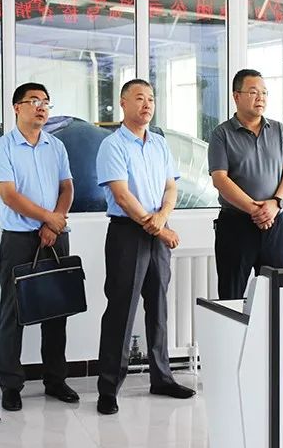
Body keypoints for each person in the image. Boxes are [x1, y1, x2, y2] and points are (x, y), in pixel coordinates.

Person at [95, 78, 195, 415]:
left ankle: (162, 378)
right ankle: (109, 388)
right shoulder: (112, 145)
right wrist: (157, 227)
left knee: (159, 307)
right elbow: (122, 195)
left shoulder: (159, 144)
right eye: (139, 98)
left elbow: (171, 188)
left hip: (157, 229)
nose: (147, 104)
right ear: (123, 103)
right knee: (121, 310)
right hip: (127, 233)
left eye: (151, 98)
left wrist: (162, 219)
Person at [0, 82, 78, 412]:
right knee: (14, 313)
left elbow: (67, 187)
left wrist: (55, 222)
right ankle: (10, 385)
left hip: (56, 234)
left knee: (57, 309)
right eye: (34, 101)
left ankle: (55, 379)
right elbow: (8, 195)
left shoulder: (56, 146)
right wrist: (47, 219)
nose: (41, 107)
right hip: (19, 239)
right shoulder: (3, 148)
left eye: (46, 102)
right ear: (17, 107)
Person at [207, 68, 283, 300]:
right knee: (231, 296)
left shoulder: (278, 130)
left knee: (274, 296)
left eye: (264, 93)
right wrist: (255, 210)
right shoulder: (221, 134)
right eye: (254, 92)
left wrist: (275, 204)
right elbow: (220, 179)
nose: (261, 98)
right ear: (236, 96)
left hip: (275, 222)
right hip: (236, 225)